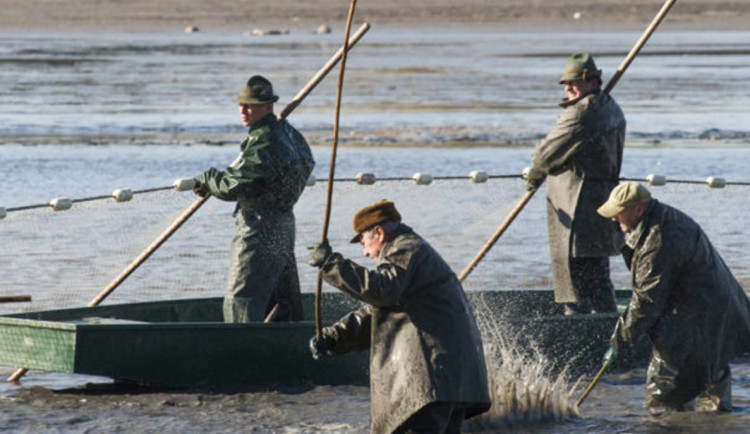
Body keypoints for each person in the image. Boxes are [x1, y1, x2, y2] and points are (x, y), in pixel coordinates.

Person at [307, 200, 490, 433]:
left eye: (364, 242)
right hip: (448, 379)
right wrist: (335, 337)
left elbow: (381, 291)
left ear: (379, 232)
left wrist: (331, 264)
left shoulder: (405, 248)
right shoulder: (412, 253)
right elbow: (380, 311)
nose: (365, 252)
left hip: (433, 378)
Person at [598, 182, 750, 413]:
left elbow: (646, 301)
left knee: (663, 396)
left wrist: (620, 342)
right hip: (715, 310)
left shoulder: (657, 239)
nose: (613, 219)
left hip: (697, 318)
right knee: (713, 382)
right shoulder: (660, 217)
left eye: (618, 213)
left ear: (638, 210)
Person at [193, 75, 315, 323]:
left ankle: (241, 351)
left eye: (250, 105)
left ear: (268, 106)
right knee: (281, 300)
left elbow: (233, 185)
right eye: (241, 105)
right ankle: (284, 349)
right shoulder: (286, 131)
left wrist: (208, 179)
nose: (243, 110)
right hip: (283, 225)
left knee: (241, 298)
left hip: (257, 229)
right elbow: (307, 162)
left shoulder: (265, 140)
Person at [525, 52, 626, 315]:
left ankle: (582, 337)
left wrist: (534, 173)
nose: (568, 88)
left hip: (577, 211)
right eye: (565, 83)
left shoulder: (581, 114)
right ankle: (608, 329)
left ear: (593, 81)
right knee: (598, 279)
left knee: (576, 283)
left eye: (575, 82)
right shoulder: (610, 107)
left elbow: (544, 156)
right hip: (601, 205)